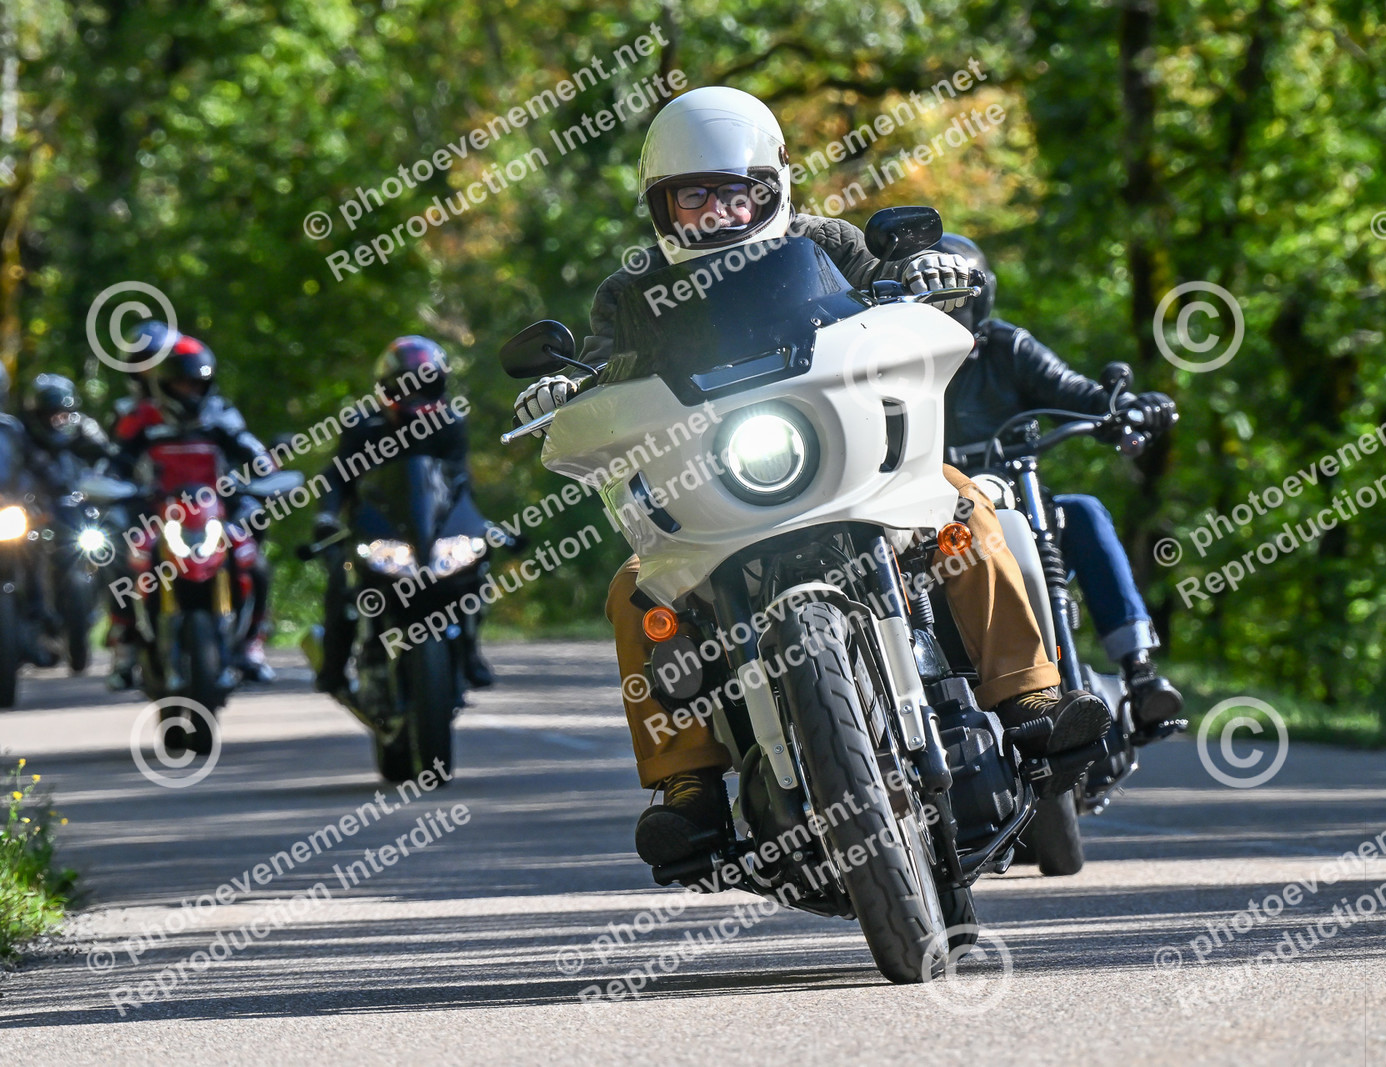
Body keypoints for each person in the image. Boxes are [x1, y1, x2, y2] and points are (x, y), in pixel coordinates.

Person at [512, 85, 1113, 869]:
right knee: (635, 590)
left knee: (963, 505)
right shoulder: (629, 294)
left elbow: (889, 295)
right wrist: (567, 385)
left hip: (851, 462)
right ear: (661, 205)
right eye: (692, 196)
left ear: (772, 185)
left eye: (734, 192)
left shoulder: (827, 241)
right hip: (717, 494)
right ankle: (687, 786)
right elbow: (600, 368)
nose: (715, 211)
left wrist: (920, 271)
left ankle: (1031, 697)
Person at [934, 233, 1184, 731]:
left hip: (1017, 501)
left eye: (958, 297)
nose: (948, 309)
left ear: (981, 297)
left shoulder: (1007, 348)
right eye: (936, 299)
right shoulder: (898, 365)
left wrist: (1124, 408)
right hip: (941, 522)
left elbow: (1075, 392)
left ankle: (1139, 672)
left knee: (1084, 511)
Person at [310, 336, 493, 699]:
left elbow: (459, 482)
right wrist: (327, 517)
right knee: (342, 584)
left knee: (476, 568)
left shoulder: (450, 423)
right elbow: (337, 477)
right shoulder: (362, 425)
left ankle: (470, 648)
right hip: (377, 528)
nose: (416, 395)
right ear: (386, 388)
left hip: (433, 532)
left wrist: (475, 525)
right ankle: (334, 667)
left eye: (426, 385)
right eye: (406, 386)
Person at [107, 324, 281, 686]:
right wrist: (113, 485)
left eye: (197, 385)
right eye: (182, 384)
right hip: (158, 513)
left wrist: (265, 475)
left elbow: (253, 453)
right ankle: (125, 641)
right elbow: (116, 461)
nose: (190, 392)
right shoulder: (140, 417)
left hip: (215, 512)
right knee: (120, 551)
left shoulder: (221, 415)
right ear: (164, 383)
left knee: (256, 561)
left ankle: (252, 641)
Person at [17, 373, 118, 664]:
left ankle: (121, 621)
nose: (56, 419)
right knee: (17, 554)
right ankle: (25, 621)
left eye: (61, 413)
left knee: (115, 547)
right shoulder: (20, 435)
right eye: (48, 413)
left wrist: (104, 479)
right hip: (34, 512)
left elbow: (108, 459)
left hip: (77, 510)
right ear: (35, 413)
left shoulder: (86, 428)